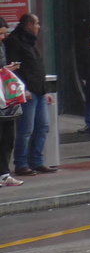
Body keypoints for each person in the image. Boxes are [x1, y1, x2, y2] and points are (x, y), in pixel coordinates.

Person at [7, 13, 56, 176]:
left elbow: (37, 67)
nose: (38, 27)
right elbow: (14, 68)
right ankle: (21, 163)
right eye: (36, 24)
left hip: (38, 90)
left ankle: (37, 161)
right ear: (29, 24)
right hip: (27, 91)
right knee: (26, 129)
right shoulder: (15, 41)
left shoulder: (31, 41)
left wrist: (44, 90)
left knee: (43, 126)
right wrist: (22, 89)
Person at [0, 18, 23, 186]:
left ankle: (4, 173)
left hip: (4, 95)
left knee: (8, 137)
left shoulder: (2, 46)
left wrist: (6, 69)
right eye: (0, 33)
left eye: (4, 33)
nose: (3, 37)